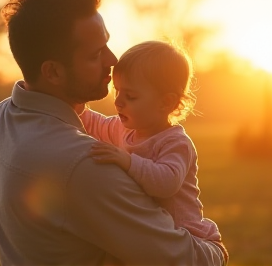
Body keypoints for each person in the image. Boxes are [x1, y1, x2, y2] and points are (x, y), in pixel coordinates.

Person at [0, 0, 227, 265]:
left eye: (107, 45)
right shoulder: (85, 164)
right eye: (96, 54)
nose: (112, 60)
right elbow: (181, 258)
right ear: (53, 72)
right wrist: (215, 250)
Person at [80, 40, 229, 264]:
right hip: (157, 241)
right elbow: (90, 122)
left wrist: (127, 161)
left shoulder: (175, 143)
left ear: (166, 102)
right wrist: (69, 102)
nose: (118, 102)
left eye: (130, 96)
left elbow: (166, 183)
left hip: (192, 241)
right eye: (117, 91)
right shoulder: (122, 128)